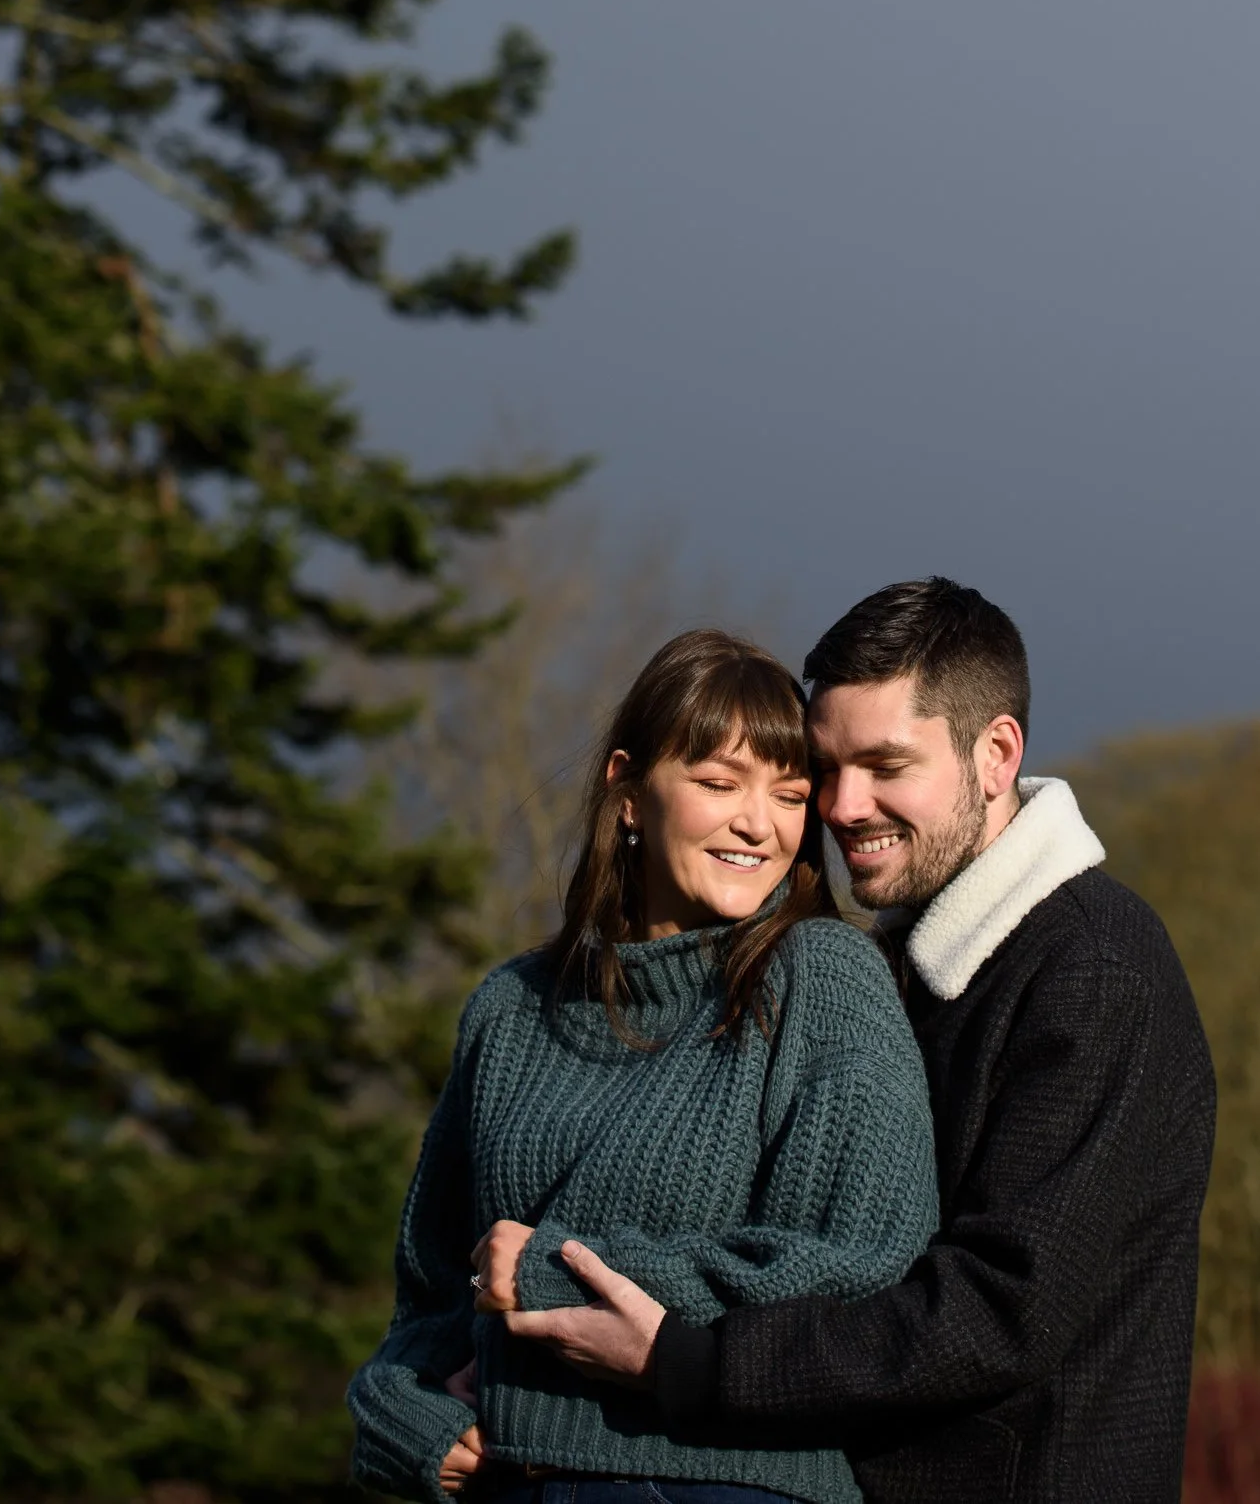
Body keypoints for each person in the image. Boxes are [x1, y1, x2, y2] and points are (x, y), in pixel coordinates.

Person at [503, 579, 1217, 1504]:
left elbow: (1001, 1311)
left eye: (886, 766)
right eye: (827, 770)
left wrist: (691, 1363)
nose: (842, 806)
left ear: (997, 754)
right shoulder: (890, 966)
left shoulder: (1093, 973)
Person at [346, 627, 939, 1504]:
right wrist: (406, 1420)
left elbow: (868, 1261)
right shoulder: (511, 1008)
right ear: (627, 789)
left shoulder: (822, 978)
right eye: (718, 783)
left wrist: (554, 1274)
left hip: (724, 1486)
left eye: (787, 794)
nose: (759, 823)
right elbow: (436, 1293)